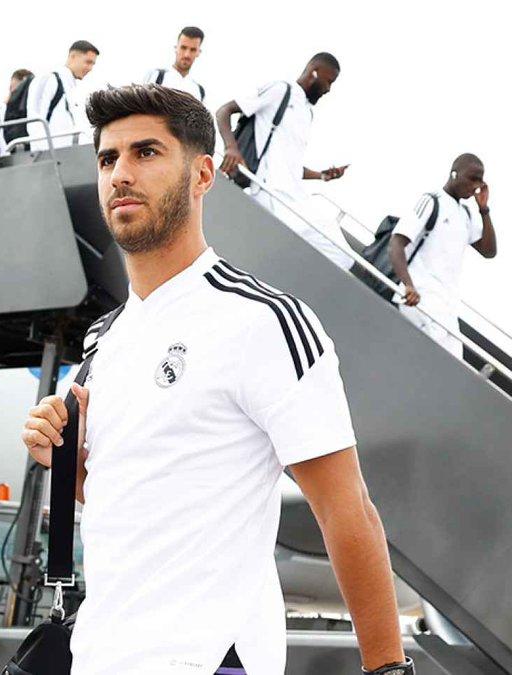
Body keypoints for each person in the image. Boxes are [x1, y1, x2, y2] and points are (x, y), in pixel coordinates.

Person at [21, 84, 410, 675]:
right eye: (108, 158)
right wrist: (65, 460)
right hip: (100, 654)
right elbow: (125, 497)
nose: (121, 173)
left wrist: (387, 669)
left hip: (211, 660)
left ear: (202, 175)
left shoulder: (263, 319)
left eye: (146, 152)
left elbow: (346, 508)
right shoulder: (103, 338)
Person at [216, 53, 353, 270]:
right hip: (269, 192)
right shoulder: (281, 90)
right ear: (314, 72)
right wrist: (231, 148)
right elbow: (224, 111)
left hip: (294, 198)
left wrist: (321, 175)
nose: (328, 89)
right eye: (329, 81)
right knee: (336, 253)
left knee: (344, 257)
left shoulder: (307, 113)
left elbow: (290, 164)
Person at [390, 154, 496, 358]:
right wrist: (408, 285)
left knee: (454, 365)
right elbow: (396, 243)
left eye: (480, 181)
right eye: (472, 178)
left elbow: (489, 251)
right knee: (426, 359)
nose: (476, 186)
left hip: (447, 308)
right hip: (420, 299)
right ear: (455, 174)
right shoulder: (432, 201)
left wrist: (484, 209)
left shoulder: (466, 214)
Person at [26, 40, 99, 150]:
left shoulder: (72, 88)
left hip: (68, 153)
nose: (90, 68)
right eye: (88, 62)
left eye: (93, 64)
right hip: (51, 155)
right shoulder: (49, 79)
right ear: (73, 57)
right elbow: (35, 120)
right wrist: (46, 154)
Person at [142, 26, 207, 102]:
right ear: (176, 48)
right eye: (183, 48)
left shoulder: (199, 91)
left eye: (193, 50)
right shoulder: (156, 76)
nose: (187, 54)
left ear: (199, 52)